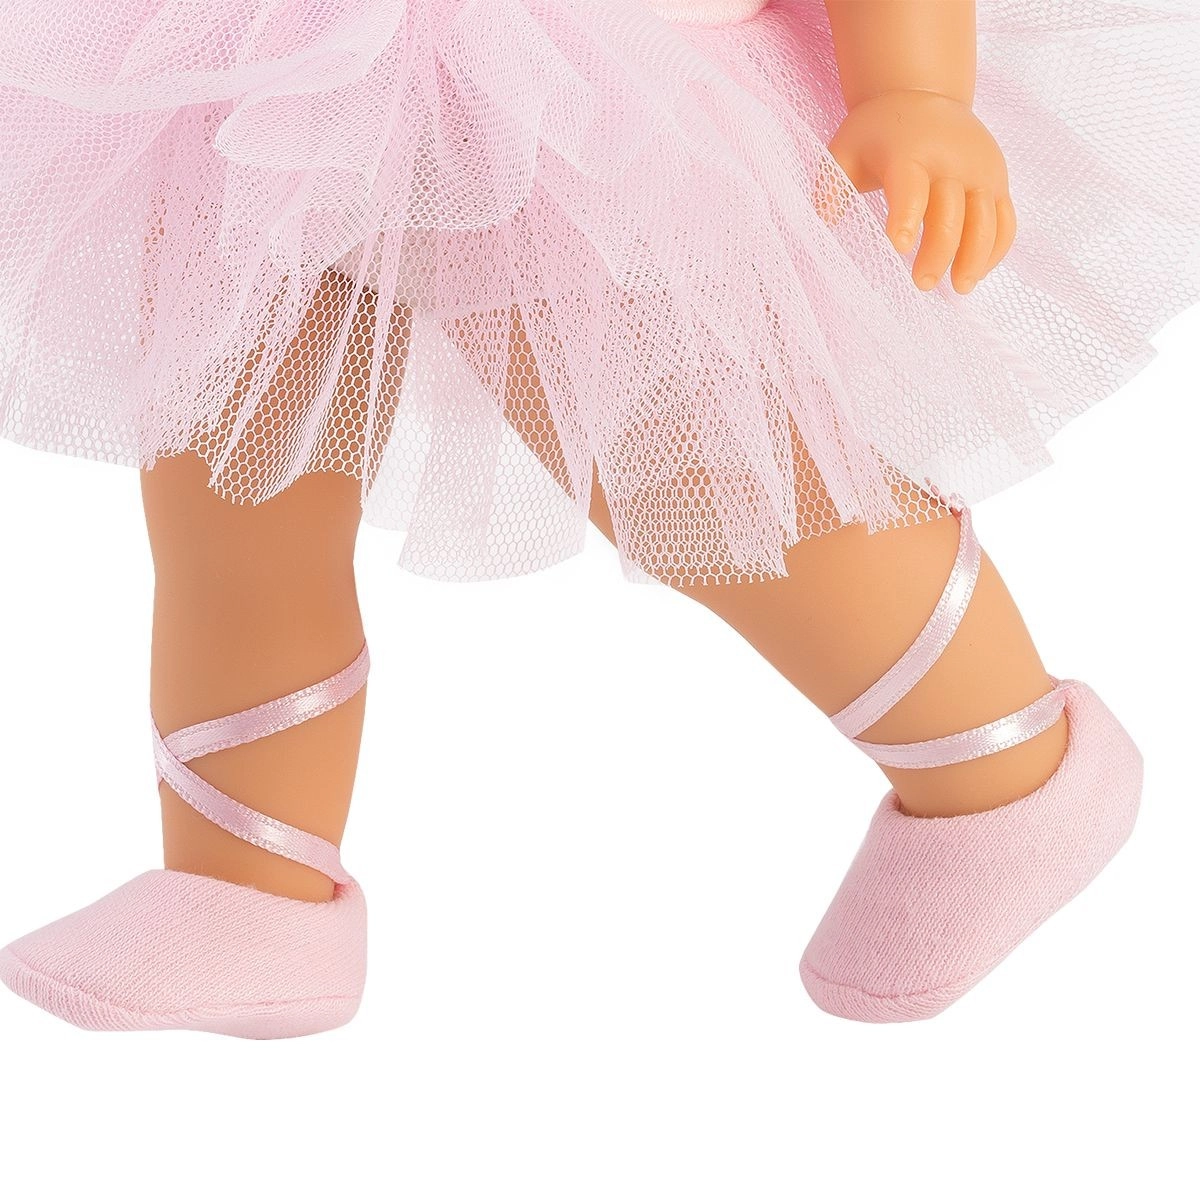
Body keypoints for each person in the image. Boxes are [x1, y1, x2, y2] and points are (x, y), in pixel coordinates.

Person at [0, 0, 1196, 1034]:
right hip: (253, 58)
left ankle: (1002, 772)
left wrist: (917, 87)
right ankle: (242, 889)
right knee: (230, 494)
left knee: (695, 474)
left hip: (577, 82)